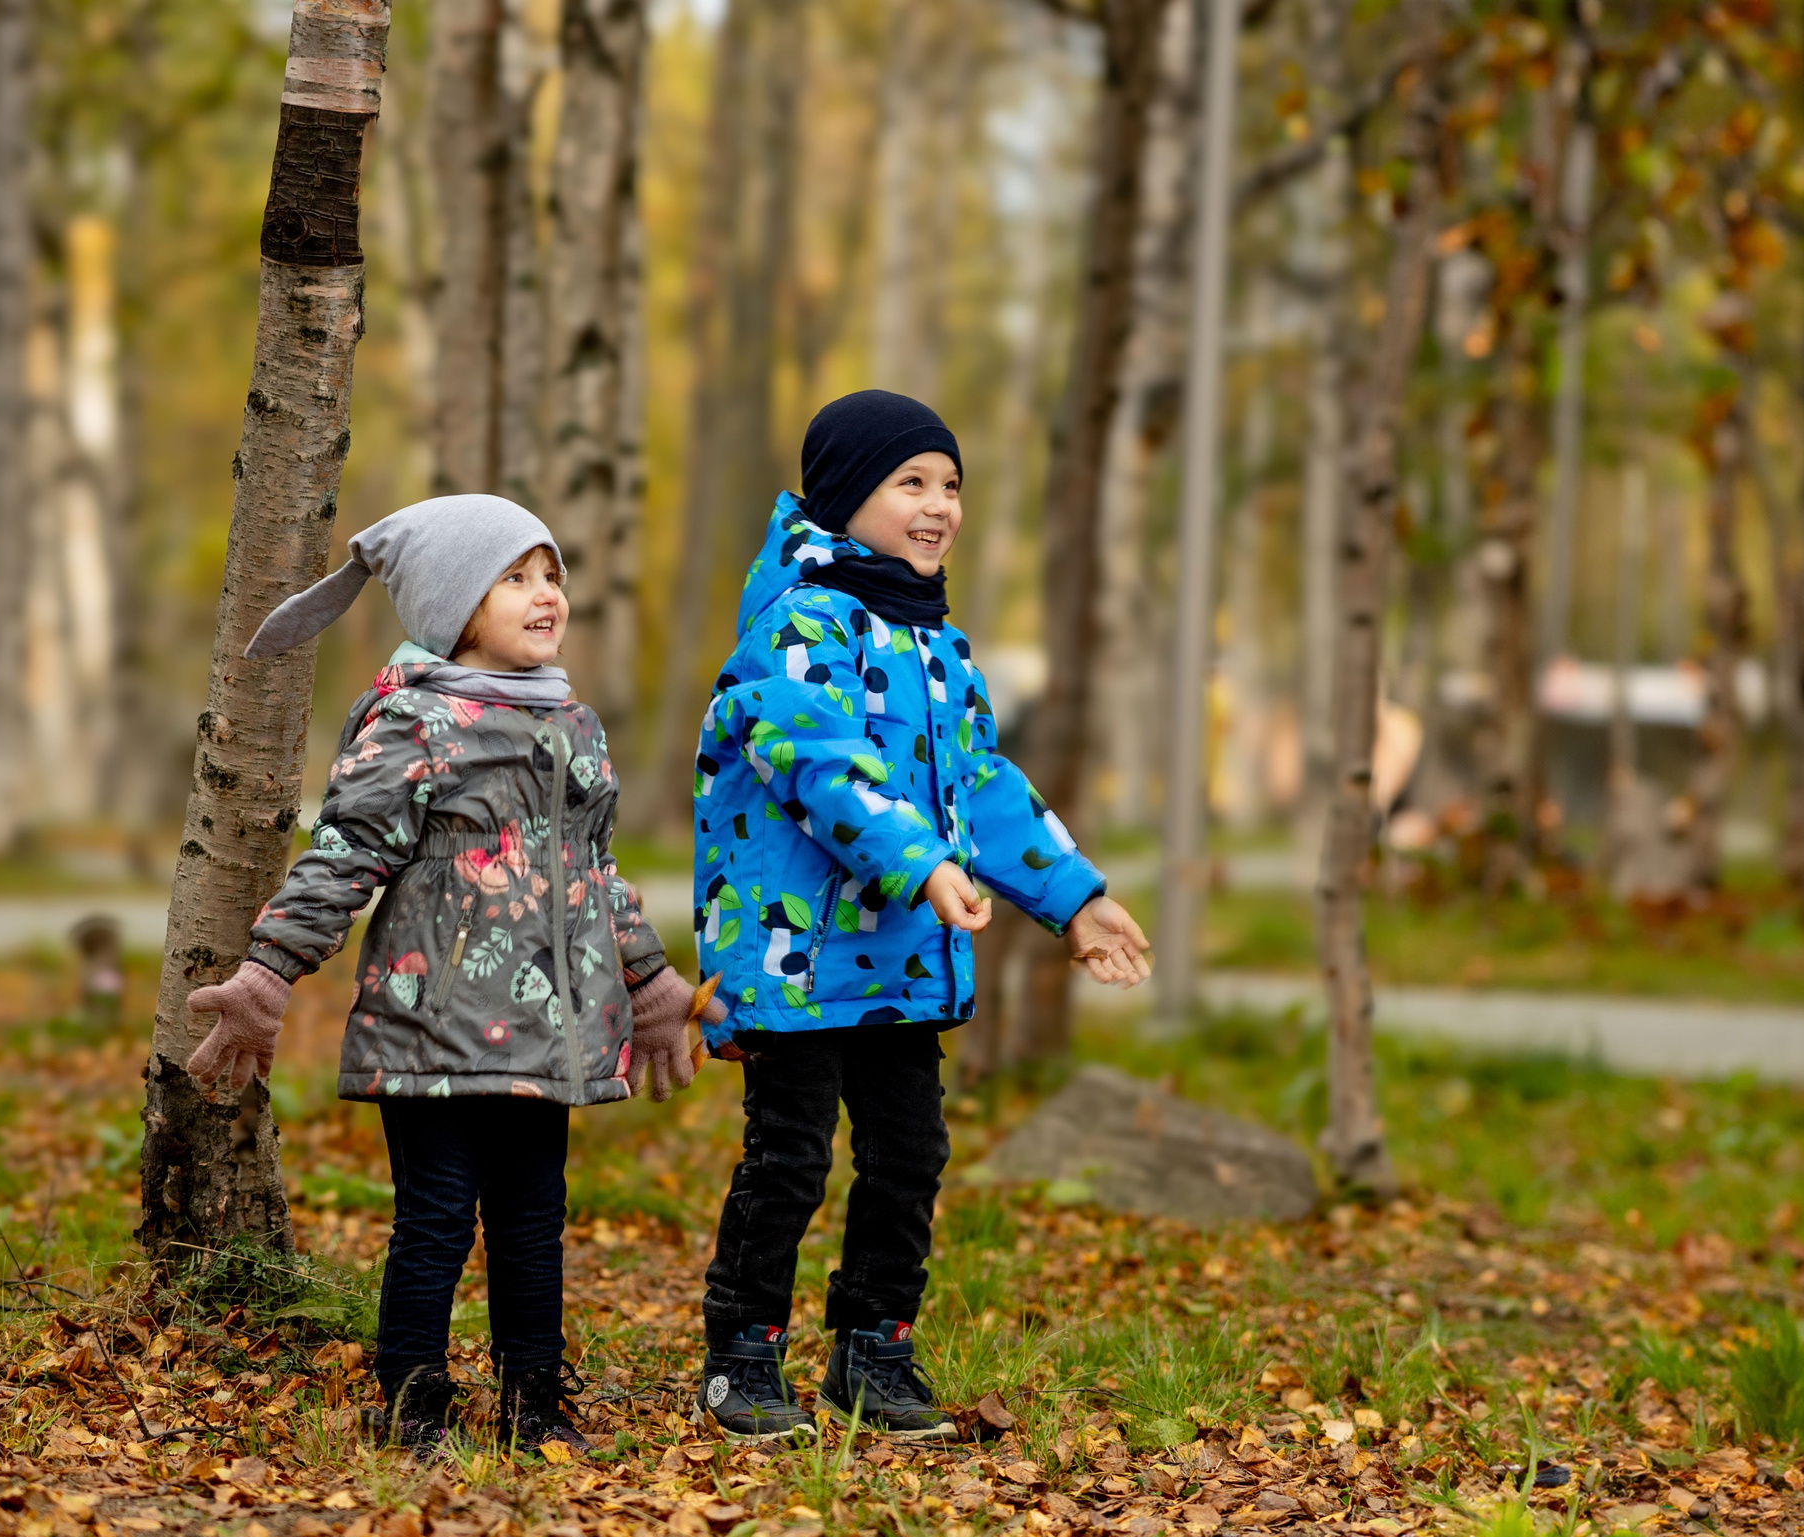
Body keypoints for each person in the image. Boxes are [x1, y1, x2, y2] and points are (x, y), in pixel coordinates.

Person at [184, 494, 722, 1457]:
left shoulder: (573, 724)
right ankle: (411, 1400)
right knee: (434, 1219)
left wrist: (647, 982)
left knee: (534, 1221)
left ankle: (534, 1402)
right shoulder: (415, 721)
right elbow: (345, 854)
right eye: (513, 578)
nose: (545, 593)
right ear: (453, 604)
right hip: (432, 1024)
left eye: (551, 574)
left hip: (546, 1031)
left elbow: (595, 870)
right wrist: (269, 972)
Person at [687, 391, 1152, 1442]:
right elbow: (822, 766)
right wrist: (923, 863)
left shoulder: (938, 646)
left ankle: (873, 1350)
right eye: (911, 482)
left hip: (900, 961)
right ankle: (741, 1353)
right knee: (790, 1158)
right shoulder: (797, 626)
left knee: (907, 1159)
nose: (939, 505)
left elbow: (982, 786)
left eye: (951, 485)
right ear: (847, 494)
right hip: (798, 958)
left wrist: (1075, 899)